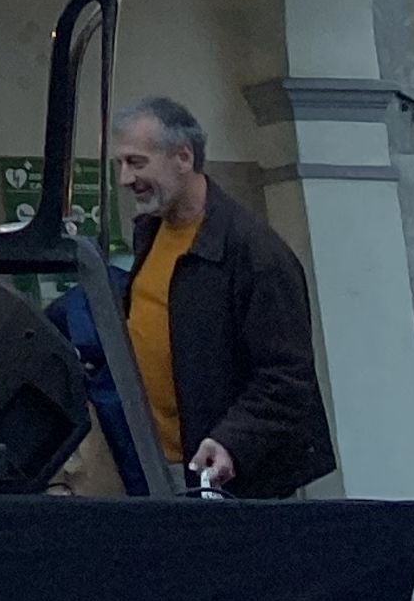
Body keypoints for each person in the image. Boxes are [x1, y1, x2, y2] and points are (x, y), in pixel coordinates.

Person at [112, 96, 333, 498]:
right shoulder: (149, 231)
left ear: (183, 157)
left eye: (136, 162)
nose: (125, 178)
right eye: (120, 164)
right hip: (158, 466)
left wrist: (232, 440)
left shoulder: (256, 253)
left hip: (229, 478)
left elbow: (287, 377)